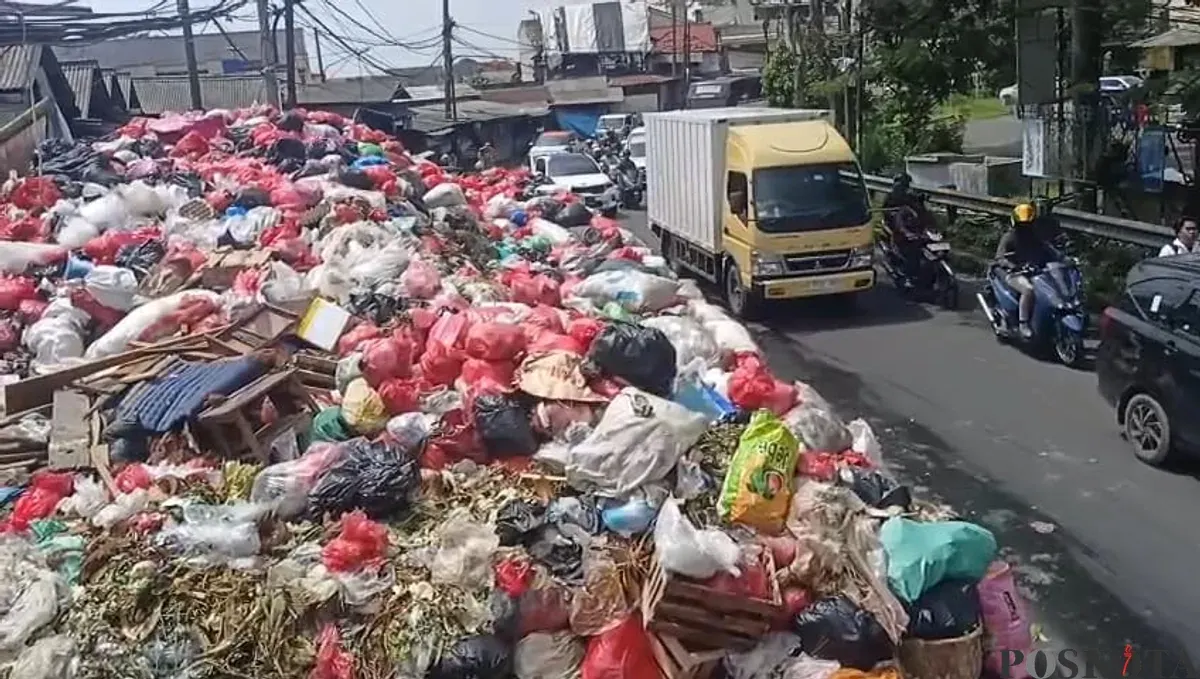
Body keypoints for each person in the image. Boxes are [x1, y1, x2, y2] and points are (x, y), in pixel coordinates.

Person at [996, 203, 1059, 339]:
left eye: (1028, 224)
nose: (1025, 228)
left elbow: (1048, 250)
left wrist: (1061, 258)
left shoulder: (1035, 237)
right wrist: (1012, 266)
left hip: (1036, 273)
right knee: (1028, 290)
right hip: (1015, 274)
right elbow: (1000, 257)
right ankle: (1023, 323)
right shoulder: (1009, 237)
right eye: (1022, 225)